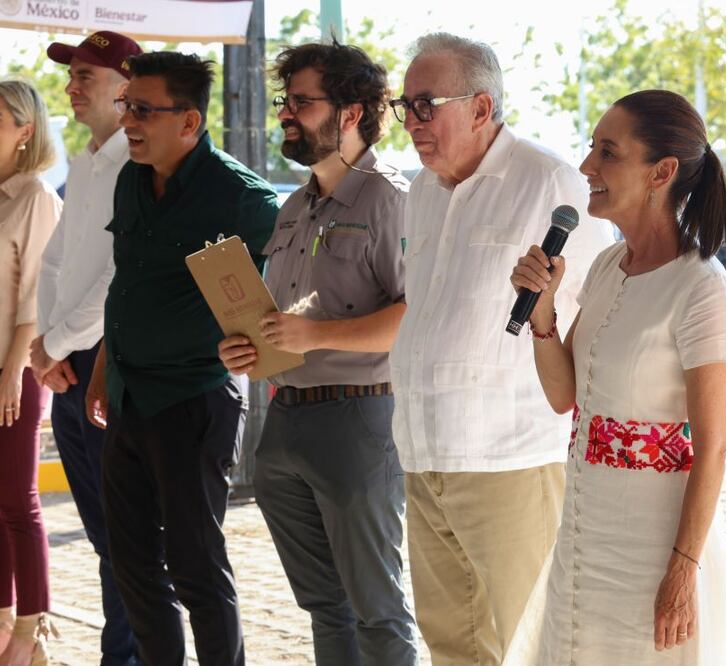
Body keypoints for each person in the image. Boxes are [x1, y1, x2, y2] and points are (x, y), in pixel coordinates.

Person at [388, 32, 612, 663]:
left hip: (510, 456)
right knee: (451, 642)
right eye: (405, 107)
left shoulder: (550, 182)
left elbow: (591, 319)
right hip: (425, 451)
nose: (412, 122)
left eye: (426, 105)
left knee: (532, 639)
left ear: (481, 108)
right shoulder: (421, 194)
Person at [508, 89, 726, 664]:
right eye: (591, 149)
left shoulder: (702, 290)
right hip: (585, 533)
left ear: (661, 171)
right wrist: (542, 315)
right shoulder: (609, 266)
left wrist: (683, 570)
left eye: (608, 153)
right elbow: (567, 396)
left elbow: (713, 448)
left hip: (656, 547)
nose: (588, 167)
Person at [217, 41, 419, 665]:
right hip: (286, 421)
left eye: (302, 101)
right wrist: (252, 347)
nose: (286, 113)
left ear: (353, 112)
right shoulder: (294, 206)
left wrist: (314, 336)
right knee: (324, 607)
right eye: (286, 100)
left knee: (378, 611)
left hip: (360, 422)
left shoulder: (391, 198)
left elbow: (415, 318)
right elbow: (291, 318)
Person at [84, 51, 279, 666]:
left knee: (195, 563)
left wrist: (267, 342)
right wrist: (100, 370)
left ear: (189, 121)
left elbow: (298, 276)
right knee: (132, 562)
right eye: (126, 106)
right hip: (129, 396)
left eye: (143, 109)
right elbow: (127, 283)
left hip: (194, 399)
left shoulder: (240, 195)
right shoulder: (130, 178)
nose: (129, 121)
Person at [31, 30, 143, 666]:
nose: (71, 87)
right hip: (68, 366)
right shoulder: (87, 161)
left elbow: (118, 279)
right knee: (106, 538)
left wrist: (55, 344)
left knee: (128, 539)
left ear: (126, 88)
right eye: (70, 76)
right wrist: (48, 347)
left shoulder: (137, 163)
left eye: (85, 76)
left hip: (111, 366)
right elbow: (55, 263)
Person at [0, 80, 61, 666]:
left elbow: (35, 298)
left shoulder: (37, 198)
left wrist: (12, 373)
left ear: (25, 131)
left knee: (17, 505)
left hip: (9, 374)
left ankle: (32, 637)